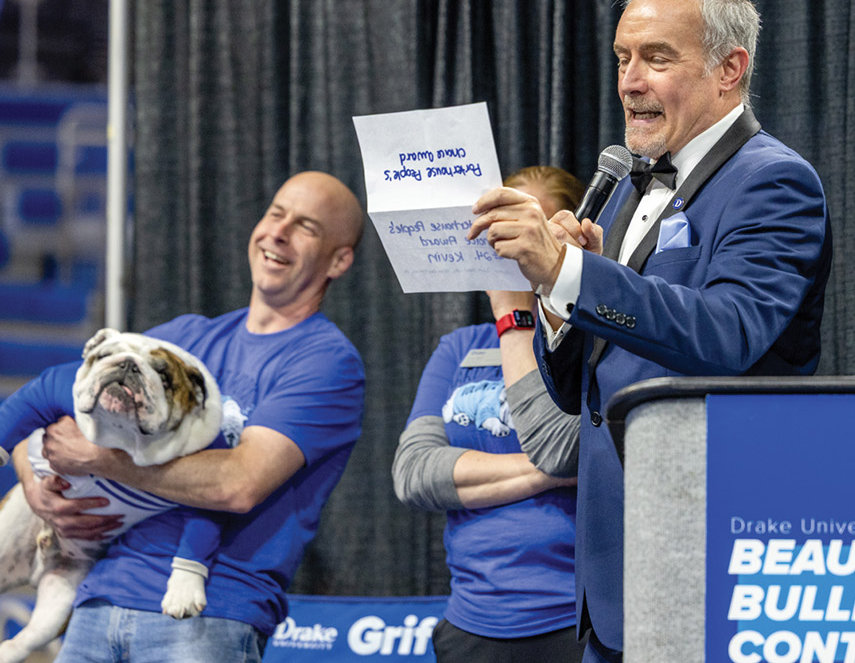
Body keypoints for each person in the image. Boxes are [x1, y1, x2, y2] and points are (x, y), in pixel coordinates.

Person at [468, 0, 832, 663]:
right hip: (612, 582)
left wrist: (568, 271)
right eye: (623, 58)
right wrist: (560, 304)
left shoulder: (775, 181)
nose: (630, 81)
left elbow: (728, 334)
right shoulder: (632, 184)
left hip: (707, 566)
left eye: (657, 58)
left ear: (730, 69)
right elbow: (584, 393)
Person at [1, 170, 366, 663]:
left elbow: (236, 485)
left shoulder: (326, 361)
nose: (278, 232)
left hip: (208, 614)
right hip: (99, 597)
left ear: (339, 260)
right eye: (275, 214)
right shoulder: (185, 337)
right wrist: (39, 489)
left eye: (306, 227)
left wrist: (98, 460)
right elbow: (49, 415)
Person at [393, 166, 584, 663]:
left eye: (529, 227)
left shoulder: (593, 345)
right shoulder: (460, 348)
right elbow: (415, 475)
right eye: (500, 226)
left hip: (576, 621)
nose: (511, 245)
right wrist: (548, 470)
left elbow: (581, 452)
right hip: (471, 622)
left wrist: (519, 317)